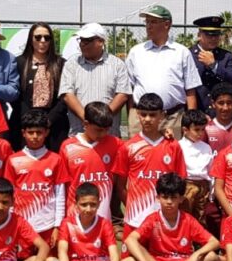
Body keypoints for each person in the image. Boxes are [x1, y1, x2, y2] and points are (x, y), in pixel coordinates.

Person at [128, 173, 221, 261]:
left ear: (181, 199)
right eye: (165, 197)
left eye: (173, 198)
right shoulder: (152, 219)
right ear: (158, 198)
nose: (169, 202)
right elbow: (130, 240)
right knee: (138, 247)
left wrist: (195, 255)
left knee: (211, 256)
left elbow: (214, 242)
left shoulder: (188, 220)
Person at [125, 4, 201, 138]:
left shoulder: (181, 52)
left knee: (172, 151)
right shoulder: (136, 52)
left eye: (153, 22)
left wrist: (191, 120)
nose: (148, 26)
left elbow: (190, 90)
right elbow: (128, 88)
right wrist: (132, 115)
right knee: (140, 151)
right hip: (141, 119)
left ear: (167, 24)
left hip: (172, 118)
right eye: (147, 22)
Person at [115, 94, 187, 234]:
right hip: (135, 220)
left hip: (164, 219)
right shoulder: (128, 147)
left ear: (162, 115)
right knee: (131, 249)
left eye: (153, 115)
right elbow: (120, 186)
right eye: (143, 114)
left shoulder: (173, 146)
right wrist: (132, 207)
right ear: (137, 114)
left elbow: (181, 181)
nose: (147, 119)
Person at [50, 182, 129, 261]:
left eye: (93, 205)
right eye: (84, 205)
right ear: (76, 204)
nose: (88, 209)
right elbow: (62, 252)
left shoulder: (105, 223)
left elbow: (114, 255)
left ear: (99, 204)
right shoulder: (67, 223)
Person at [59, 22, 130, 137]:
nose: (82, 44)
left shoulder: (117, 65)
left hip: (109, 135)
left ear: (101, 41)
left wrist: (102, 120)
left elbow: (122, 95)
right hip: (79, 135)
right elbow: (67, 95)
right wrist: (89, 121)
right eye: (81, 40)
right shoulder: (71, 64)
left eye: (87, 40)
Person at [7, 108, 67, 243]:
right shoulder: (13, 160)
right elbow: (9, 194)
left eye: (39, 132)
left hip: (48, 226)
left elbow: (60, 195)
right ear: (23, 133)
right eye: (30, 132)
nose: (35, 136)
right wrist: (10, 222)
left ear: (46, 132)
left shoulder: (56, 159)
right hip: (21, 224)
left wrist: (57, 225)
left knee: (48, 257)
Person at [59, 101, 123, 220]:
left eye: (107, 129)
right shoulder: (68, 147)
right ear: (85, 123)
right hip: (75, 218)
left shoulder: (116, 144)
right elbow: (61, 187)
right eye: (98, 130)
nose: (103, 134)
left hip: (103, 220)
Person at [14, 22, 68, 150]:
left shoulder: (61, 64)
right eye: (38, 37)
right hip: (25, 123)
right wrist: (30, 121)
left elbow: (65, 96)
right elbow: (15, 94)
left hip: (54, 126)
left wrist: (49, 120)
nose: (42, 41)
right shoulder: (19, 62)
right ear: (31, 39)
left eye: (47, 37)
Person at [189, 15, 232, 107]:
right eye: (209, 35)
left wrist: (214, 66)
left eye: (216, 35)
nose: (213, 38)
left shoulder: (226, 56)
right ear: (199, 35)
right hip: (197, 110)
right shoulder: (189, 55)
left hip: (220, 111)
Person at [178, 110, 215, 222]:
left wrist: (211, 191)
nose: (200, 133)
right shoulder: (179, 146)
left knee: (200, 219)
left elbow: (210, 171)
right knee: (184, 218)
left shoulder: (206, 147)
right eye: (196, 130)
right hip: (186, 186)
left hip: (203, 187)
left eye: (203, 129)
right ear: (185, 130)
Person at [204, 83, 232, 153]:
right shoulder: (206, 129)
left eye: (229, 103)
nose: (225, 108)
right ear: (213, 103)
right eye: (221, 103)